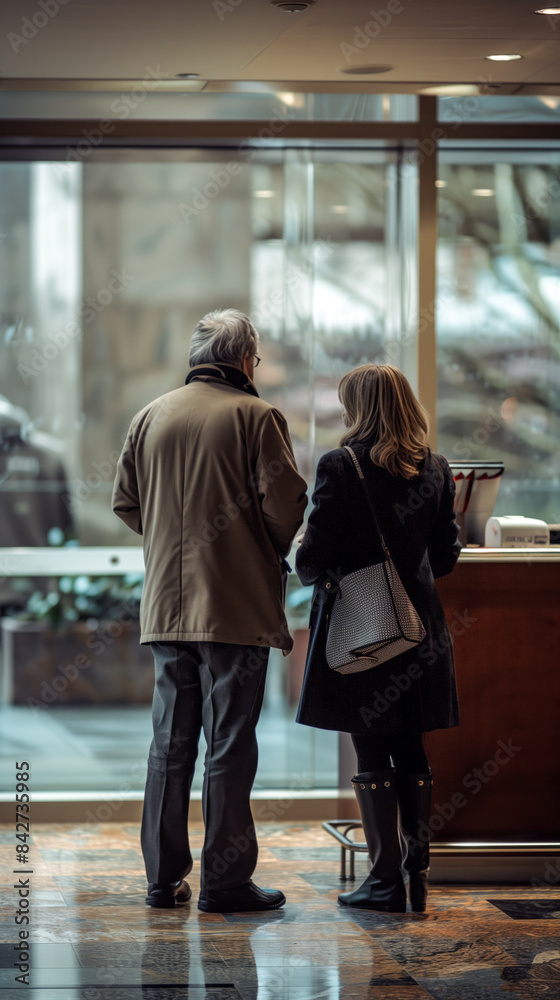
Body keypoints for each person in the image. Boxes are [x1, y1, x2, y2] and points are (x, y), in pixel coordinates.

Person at [112, 309, 307, 913]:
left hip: (167, 612)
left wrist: (172, 538)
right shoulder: (258, 417)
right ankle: (225, 884)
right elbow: (285, 510)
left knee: (169, 745)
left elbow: (126, 503)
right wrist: (256, 547)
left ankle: (163, 879)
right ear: (246, 360)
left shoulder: (151, 415)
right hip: (235, 609)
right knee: (228, 745)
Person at [295, 364, 461, 913]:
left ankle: (384, 877)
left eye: (347, 403)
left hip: (364, 631)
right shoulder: (435, 468)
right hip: (421, 631)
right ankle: (417, 875)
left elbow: (312, 560)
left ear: (360, 408)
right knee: (412, 745)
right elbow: (444, 557)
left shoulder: (340, 466)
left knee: (370, 746)